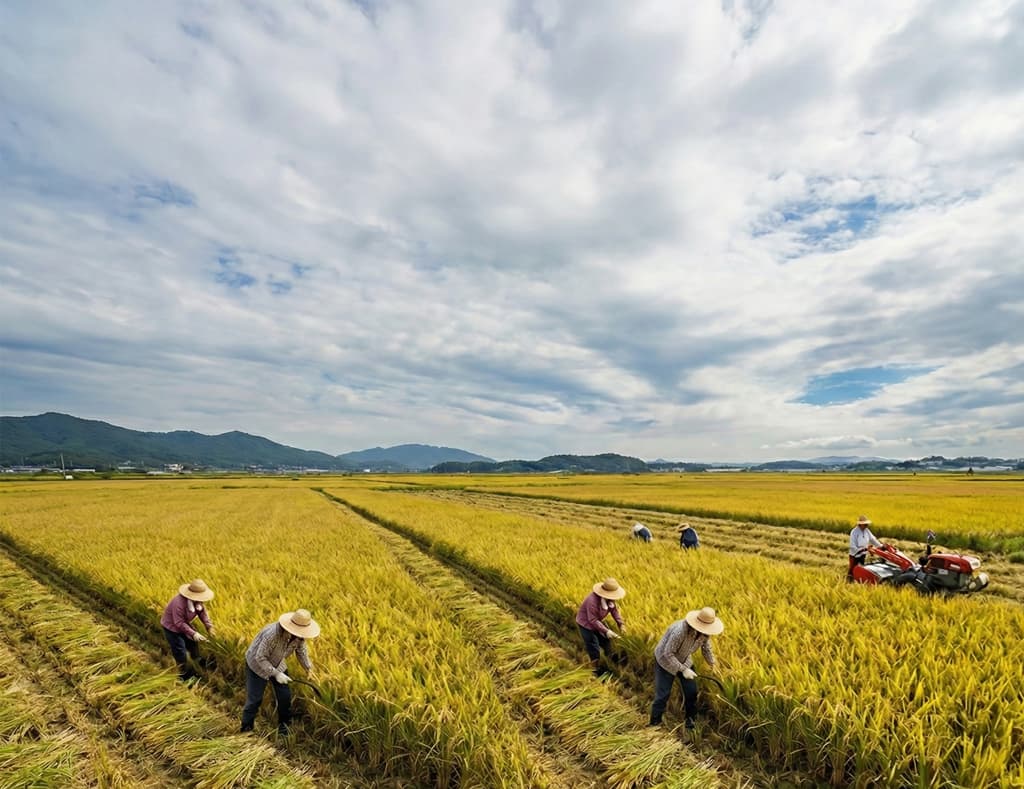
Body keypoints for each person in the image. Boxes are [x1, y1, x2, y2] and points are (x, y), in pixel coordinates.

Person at [241, 609, 320, 735]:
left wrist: (308, 668)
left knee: (285, 697)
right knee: (254, 700)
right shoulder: (272, 635)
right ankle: (246, 729)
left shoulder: (299, 638)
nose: (300, 635)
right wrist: (276, 674)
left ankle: (284, 728)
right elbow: (260, 657)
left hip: (278, 663)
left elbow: (301, 651)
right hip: (257, 665)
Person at [649, 607, 723, 730]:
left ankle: (690, 722)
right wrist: (683, 670)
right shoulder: (680, 632)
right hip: (665, 662)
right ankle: (654, 724)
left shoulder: (705, 634)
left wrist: (712, 664)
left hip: (685, 659)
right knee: (663, 695)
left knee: (691, 692)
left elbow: (706, 649)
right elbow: (668, 653)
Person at [160, 579, 215, 681]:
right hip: (171, 628)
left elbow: (203, 614)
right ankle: (183, 674)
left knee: (193, 645)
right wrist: (193, 633)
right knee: (180, 650)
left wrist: (209, 627)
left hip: (185, 625)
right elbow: (178, 623)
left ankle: (197, 664)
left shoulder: (198, 603)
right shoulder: (179, 603)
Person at [576, 578, 626, 675]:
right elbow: (592, 620)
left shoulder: (610, 601)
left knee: (606, 641)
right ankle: (595, 669)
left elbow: (614, 611)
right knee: (593, 645)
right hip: (585, 624)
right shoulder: (592, 601)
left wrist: (621, 624)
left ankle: (610, 661)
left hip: (597, 622)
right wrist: (607, 631)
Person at [848, 515, 883, 581]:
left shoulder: (867, 531)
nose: (867, 525)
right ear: (860, 524)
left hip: (863, 554)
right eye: (865, 524)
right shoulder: (854, 532)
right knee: (852, 569)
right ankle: (849, 580)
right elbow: (852, 546)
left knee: (861, 568)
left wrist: (880, 546)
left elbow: (873, 539)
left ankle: (859, 580)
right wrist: (862, 549)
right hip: (854, 555)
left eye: (867, 524)